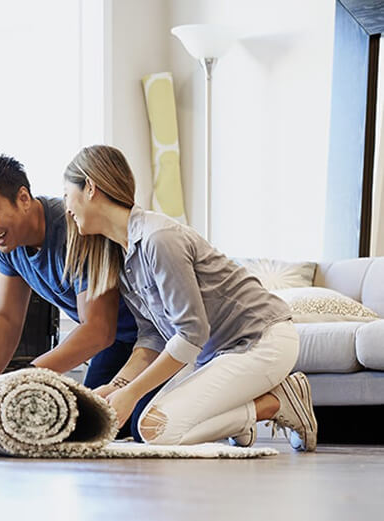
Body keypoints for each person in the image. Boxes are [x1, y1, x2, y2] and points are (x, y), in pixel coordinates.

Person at [61, 144, 317, 450]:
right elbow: (153, 336)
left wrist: (131, 393)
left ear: (90, 187)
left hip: (260, 341)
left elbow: (192, 332)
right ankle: (240, 418)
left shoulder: (159, 238)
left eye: (66, 195)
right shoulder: (123, 255)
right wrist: (117, 387)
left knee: (156, 432)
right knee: (147, 424)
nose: (66, 207)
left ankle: (277, 402)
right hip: (216, 356)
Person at [0, 153, 157, 441]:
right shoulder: (6, 243)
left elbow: (98, 330)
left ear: (23, 198)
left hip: (154, 338)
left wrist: (22, 377)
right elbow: (7, 317)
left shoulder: (75, 229)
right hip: (120, 341)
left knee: (142, 426)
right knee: (94, 428)